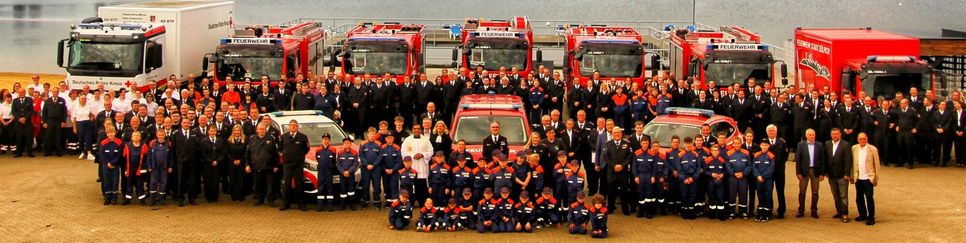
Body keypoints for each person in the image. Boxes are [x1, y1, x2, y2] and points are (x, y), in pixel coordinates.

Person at [602, 126, 633, 215]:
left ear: (621, 133)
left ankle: (625, 209)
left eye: (618, 133)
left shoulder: (627, 143)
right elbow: (605, 157)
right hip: (612, 171)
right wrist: (614, 165)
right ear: (612, 134)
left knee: (624, 191)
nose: (617, 134)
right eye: (615, 133)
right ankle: (610, 208)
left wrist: (622, 166)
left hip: (623, 172)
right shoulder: (607, 144)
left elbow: (629, 157)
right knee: (611, 191)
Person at [795, 129, 826, 218]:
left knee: (815, 192)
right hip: (804, 171)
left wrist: (822, 173)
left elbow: (823, 160)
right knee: (802, 191)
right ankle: (801, 210)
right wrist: (798, 172)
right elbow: (798, 160)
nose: (812, 136)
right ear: (806, 136)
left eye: (813, 134)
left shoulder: (819, 145)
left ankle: (814, 210)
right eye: (810, 135)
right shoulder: (801, 145)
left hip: (815, 171)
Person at [851, 133, 881, 226]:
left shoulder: (873, 149)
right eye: (860, 139)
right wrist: (852, 176)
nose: (862, 140)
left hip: (868, 178)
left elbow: (877, 164)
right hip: (858, 177)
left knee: (869, 198)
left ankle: (871, 217)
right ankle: (862, 215)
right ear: (858, 139)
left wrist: (875, 178)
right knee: (859, 198)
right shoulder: (854, 148)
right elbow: (852, 164)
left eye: (864, 139)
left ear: (867, 139)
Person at [402, 124, 434, 206]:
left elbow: (431, 151)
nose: (416, 130)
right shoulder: (407, 140)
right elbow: (403, 152)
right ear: (412, 130)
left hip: (422, 166)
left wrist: (422, 155)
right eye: (415, 129)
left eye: (418, 129)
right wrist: (413, 156)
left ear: (421, 130)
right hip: (412, 166)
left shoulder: (426, 140)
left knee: (422, 186)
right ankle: (411, 202)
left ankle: (422, 202)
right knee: (412, 186)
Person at [826, 128, 853, 223]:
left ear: (840, 134)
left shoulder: (846, 145)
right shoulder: (827, 144)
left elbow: (848, 160)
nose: (835, 136)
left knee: (843, 195)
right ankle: (839, 211)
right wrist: (826, 172)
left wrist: (847, 174)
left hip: (842, 175)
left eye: (837, 134)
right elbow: (826, 159)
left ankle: (845, 214)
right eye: (833, 134)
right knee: (835, 195)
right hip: (831, 175)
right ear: (831, 135)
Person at [248, 123, 278, 207]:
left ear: (265, 129)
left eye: (263, 129)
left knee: (270, 185)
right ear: (257, 130)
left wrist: (276, 165)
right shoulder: (252, 139)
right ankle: (260, 199)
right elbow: (248, 153)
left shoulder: (271, 138)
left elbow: (275, 153)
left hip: (269, 166)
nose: (261, 130)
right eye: (260, 129)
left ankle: (270, 200)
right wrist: (247, 165)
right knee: (258, 184)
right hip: (256, 166)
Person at [173, 118, 201, 207]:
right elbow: (173, 148)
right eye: (184, 122)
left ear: (190, 124)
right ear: (181, 123)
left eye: (187, 123)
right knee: (181, 180)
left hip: (192, 162)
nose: (186, 124)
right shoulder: (176, 134)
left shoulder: (194, 134)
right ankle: (180, 198)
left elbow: (198, 147)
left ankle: (191, 198)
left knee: (192, 181)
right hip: (181, 161)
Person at [725, 138, 752, 220]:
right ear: (732, 144)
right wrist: (733, 173)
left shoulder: (746, 153)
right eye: (735, 143)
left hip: (743, 178)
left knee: (743, 194)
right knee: (732, 195)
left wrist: (743, 173)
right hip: (732, 178)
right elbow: (727, 165)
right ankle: (731, 212)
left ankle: (743, 212)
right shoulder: (729, 153)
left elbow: (749, 165)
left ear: (741, 144)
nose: (737, 145)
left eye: (738, 143)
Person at [359, 129, 383, 209]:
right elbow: (361, 156)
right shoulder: (363, 144)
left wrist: (374, 165)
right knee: (365, 185)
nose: (372, 135)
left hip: (376, 168)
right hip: (365, 168)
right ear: (368, 134)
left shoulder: (378, 144)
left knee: (376, 185)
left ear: (375, 135)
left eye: (373, 134)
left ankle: (377, 201)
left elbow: (380, 156)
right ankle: (365, 201)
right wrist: (367, 165)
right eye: (371, 134)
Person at [678, 137, 701, 219]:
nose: (688, 145)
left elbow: (698, 168)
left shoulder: (696, 155)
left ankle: (691, 212)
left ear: (692, 144)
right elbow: (679, 169)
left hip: (693, 179)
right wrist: (684, 178)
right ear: (684, 144)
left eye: (690, 143)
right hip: (683, 179)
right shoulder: (680, 155)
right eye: (687, 144)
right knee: (684, 195)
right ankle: (685, 212)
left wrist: (693, 178)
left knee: (692, 195)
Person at [122, 131, 148, 205]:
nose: (136, 137)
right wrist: (126, 169)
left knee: (140, 184)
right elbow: (124, 158)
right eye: (134, 136)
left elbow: (146, 158)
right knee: (129, 183)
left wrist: (144, 168)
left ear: (140, 137)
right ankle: (128, 199)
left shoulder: (144, 146)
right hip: (130, 168)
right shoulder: (127, 146)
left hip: (140, 168)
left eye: (137, 136)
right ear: (131, 137)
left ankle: (141, 199)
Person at [753, 139, 776, 222]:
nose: (764, 147)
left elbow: (771, 168)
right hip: (758, 179)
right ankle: (760, 213)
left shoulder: (771, 156)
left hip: (767, 180)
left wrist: (763, 176)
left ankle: (767, 214)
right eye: (763, 145)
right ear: (760, 146)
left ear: (768, 146)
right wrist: (758, 176)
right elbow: (754, 167)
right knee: (760, 195)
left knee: (767, 196)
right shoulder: (756, 155)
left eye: (766, 145)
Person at [199, 126, 224, 203]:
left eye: (214, 131)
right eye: (211, 131)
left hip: (217, 164)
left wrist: (217, 161)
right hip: (207, 164)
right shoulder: (204, 141)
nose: (213, 132)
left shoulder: (220, 140)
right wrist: (211, 161)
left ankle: (215, 197)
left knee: (216, 181)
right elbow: (203, 154)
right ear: (208, 132)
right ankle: (208, 197)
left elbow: (223, 153)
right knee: (208, 180)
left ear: (216, 132)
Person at [99, 127, 123, 205]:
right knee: (107, 181)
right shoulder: (103, 143)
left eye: (112, 132)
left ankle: (114, 198)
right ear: (106, 134)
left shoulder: (119, 143)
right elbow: (102, 155)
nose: (111, 134)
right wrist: (107, 163)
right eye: (109, 133)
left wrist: (112, 163)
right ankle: (107, 198)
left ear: (115, 133)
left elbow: (119, 155)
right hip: (106, 166)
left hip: (115, 166)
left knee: (115, 182)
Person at [42, 87, 68, 156]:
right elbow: (44, 112)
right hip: (49, 121)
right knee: (49, 136)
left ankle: (58, 152)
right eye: (54, 92)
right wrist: (44, 122)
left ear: (58, 92)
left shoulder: (62, 100)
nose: (55, 93)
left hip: (58, 121)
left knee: (58, 137)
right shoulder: (47, 101)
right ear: (52, 92)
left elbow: (64, 112)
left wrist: (63, 121)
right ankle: (48, 151)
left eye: (56, 92)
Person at [314, 133, 337, 211]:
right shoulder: (318, 150)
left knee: (329, 188)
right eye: (324, 139)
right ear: (322, 140)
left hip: (329, 172)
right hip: (321, 172)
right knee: (320, 188)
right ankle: (320, 205)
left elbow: (334, 161)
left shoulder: (333, 150)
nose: (325, 140)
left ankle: (330, 205)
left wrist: (331, 167)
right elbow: (317, 159)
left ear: (329, 140)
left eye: (327, 139)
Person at [225, 125, 247, 202]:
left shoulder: (245, 139)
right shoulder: (229, 140)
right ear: (233, 131)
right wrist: (233, 160)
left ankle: (241, 195)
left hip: (241, 163)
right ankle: (233, 195)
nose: (237, 132)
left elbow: (246, 152)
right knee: (233, 180)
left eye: (238, 130)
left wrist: (240, 160)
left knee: (241, 180)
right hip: (231, 163)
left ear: (241, 131)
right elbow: (227, 152)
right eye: (235, 130)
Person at [13, 88, 34, 157]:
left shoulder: (30, 99)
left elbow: (31, 110)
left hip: (27, 122)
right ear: (18, 93)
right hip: (18, 123)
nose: (21, 93)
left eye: (23, 92)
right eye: (20, 92)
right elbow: (13, 111)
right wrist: (19, 118)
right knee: (19, 138)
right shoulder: (15, 100)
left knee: (28, 137)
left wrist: (25, 118)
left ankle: (30, 153)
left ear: (25, 92)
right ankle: (19, 153)